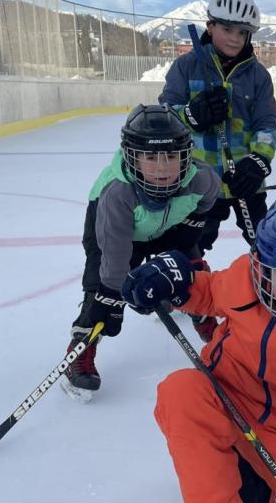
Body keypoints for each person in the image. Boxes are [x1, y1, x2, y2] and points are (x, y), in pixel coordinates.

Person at [121, 190, 276, 503]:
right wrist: (176, 284)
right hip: (221, 398)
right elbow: (210, 292)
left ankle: (251, 478)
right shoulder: (246, 279)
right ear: (262, 266)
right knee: (181, 390)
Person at [60, 104, 220, 402]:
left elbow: (207, 201)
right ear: (133, 157)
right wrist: (127, 294)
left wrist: (190, 232)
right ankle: (80, 351)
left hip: (167, 226)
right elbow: (115, 264)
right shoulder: (117, 193)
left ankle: (211, 328)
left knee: (194, 270)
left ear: (185, 156)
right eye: (150, 157)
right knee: (103, 294)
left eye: (171, 156)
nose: (162, 167)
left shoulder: (202, 178)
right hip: (114, 233)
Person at [159, 0, 276, 251]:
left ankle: (266, 287)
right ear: (210, 26)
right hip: (198, 180)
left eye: (242, 32)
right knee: (188, 248)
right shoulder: (186, 66)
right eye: (227, 29)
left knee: (266, 247)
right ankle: (192, 287)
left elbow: (266, 125)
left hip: (245, 180)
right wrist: (192, 114)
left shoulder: (258, 76)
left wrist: (258, 161)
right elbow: (165, 114)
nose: (235, 38)